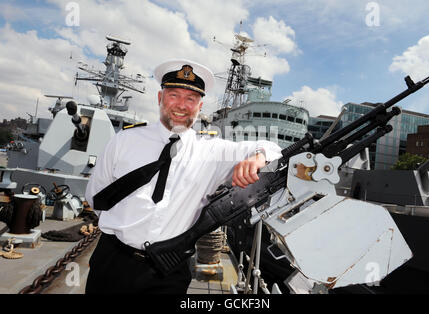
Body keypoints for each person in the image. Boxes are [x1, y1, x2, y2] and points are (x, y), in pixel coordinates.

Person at [84, 59, 282, 294]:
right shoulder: (124, 141)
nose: (181, 105)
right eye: (174, 95)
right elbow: (96, 197)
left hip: (168, 271)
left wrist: (257, 158)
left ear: (200, 107)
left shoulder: (210, 151)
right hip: (113, 260)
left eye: (191, 99)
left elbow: (272, 148)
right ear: (160, 99)